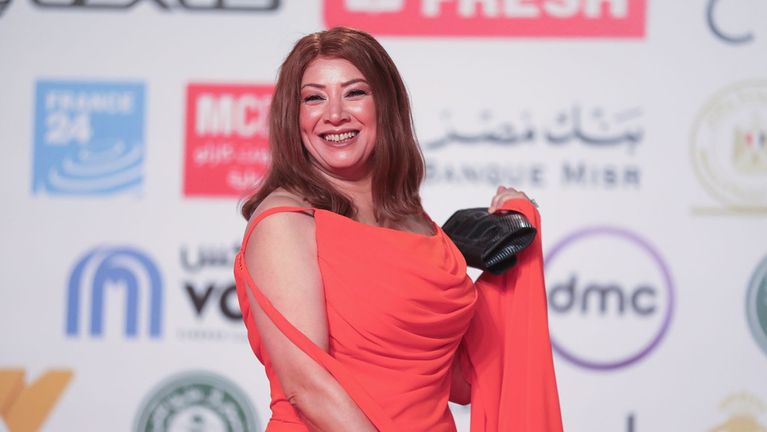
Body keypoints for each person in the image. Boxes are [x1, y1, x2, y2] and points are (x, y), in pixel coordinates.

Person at [234, 27, 562, 431]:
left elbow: (458, 380)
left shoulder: (415, 221)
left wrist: (512, 257)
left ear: (386, 105)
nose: (335, 114)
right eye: (314, 98)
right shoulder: (284, 222)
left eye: (355, 93)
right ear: (293, 115)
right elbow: (309, 388)